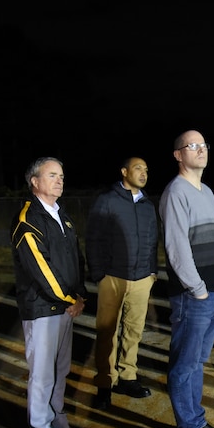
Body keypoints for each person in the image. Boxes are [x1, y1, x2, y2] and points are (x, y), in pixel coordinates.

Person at [11, 157, 89, 428]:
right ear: (35, 181)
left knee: (60, 370)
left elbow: (75, 260)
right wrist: (71, 300)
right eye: (52, 175)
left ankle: (58, 421)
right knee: (42, 375)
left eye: (61, 176)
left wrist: (79, 295)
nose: (59, 180)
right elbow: (41, 270)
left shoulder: (61, 215)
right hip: (43, 309)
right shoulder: (28, 219)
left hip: (66, 307)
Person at [161, 130, 214, 428]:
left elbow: (213, 240)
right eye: (193, 145)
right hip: (194, 296)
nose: (201, 150)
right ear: (178, 155)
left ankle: (197, 419)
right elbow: (177, 249)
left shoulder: (206, 191)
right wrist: (199, 289)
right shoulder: (176, 192)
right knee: (184, 364)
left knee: (197, 362)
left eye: (204, 145)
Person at [85, 157, 159, 410]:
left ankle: (128, 377)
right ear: (124, 171)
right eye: (139, 168)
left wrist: (152, 271)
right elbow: (93, 238)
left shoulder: (148, 205)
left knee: (134, 331)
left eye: (146, 169)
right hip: (113, 277)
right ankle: (105, 383)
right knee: (107, 332)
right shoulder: (107, 200)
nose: (144, 173)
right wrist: (99, 274)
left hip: (141, 279)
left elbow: (152, 241)